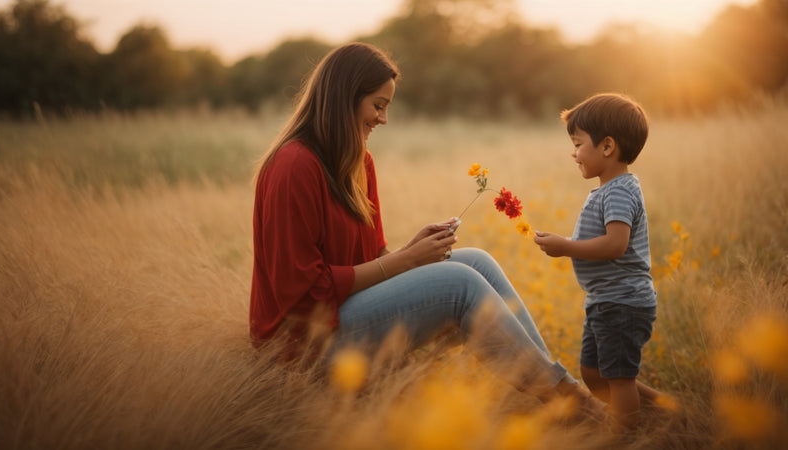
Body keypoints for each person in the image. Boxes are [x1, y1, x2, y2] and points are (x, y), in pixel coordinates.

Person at [249, 42, 598, 409]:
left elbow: (371, 258)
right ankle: (575, 406)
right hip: (305, 342)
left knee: (476, 261)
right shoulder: (293, 166)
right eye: (378, 106)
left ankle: (561, 400)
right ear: (344, 99)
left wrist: (409, 253)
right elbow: (300, 294)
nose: (383, 119)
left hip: (345, 312)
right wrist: (407, 261)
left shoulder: (358, 162)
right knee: (458, 283)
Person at [533, 93, 663, 428]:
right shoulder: (608, 189)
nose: (573, 153)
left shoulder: (619, 191)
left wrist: (567, 247)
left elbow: (615, 245)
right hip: (604, 300)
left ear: (607, 147)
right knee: (593, 372)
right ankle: (664, 408)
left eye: (578, 144)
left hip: (622, 301)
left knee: (619, 378)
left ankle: (628, 433)